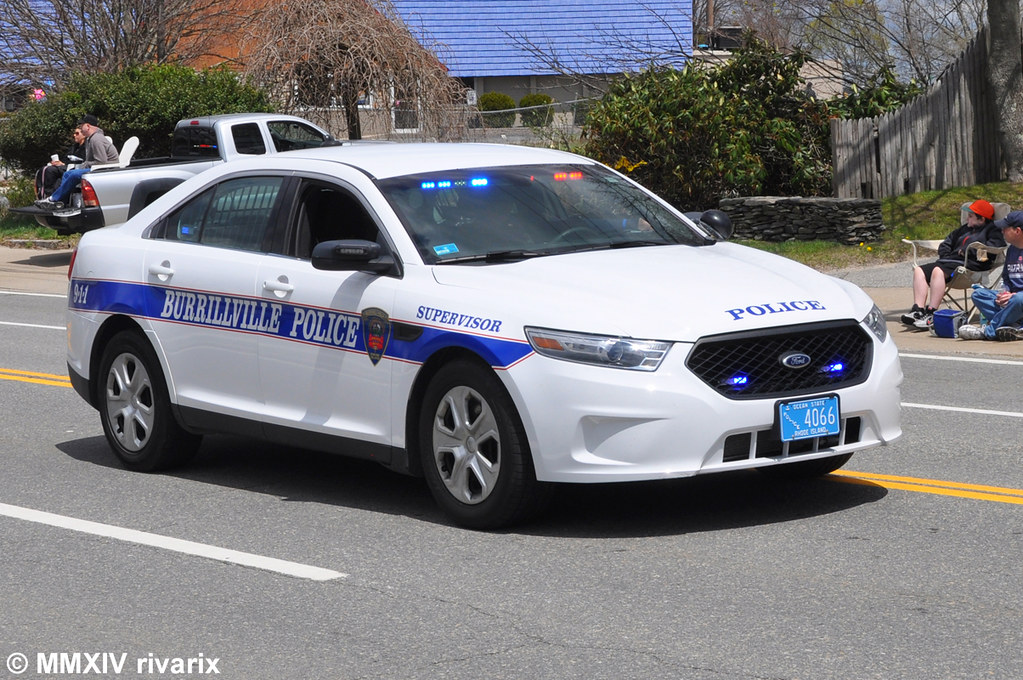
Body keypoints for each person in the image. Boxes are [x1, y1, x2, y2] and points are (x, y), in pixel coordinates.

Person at [900, 199, 1005, 329]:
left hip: (970, 266)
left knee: (938, 271)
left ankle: (932, 313)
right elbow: (946, 243)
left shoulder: (992, 230)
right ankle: (918, 310)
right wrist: (946, 255)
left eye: (971, 216)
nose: (967, 218)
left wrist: (968, 251)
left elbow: (995, 246)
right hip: (949, 262)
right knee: (919, 271)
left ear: (981, 219)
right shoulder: (962, 229)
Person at [957, 210, 1023, 341]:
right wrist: (1004, 293)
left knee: (1019, 299)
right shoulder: (1012, 250)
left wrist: (1014, 296)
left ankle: (989, 331)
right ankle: (1014, 326)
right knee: (979, 294)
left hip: (1019, 300)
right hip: (1013, 302)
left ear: (1017, 231)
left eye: (1005, 228)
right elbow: (1006, 278)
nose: (1002, 231)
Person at [34, 114, 118, 211]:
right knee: (67, 174)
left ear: (88, 126)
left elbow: (101, 161)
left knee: (73, 175)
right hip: (98, 167)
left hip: (105, 169)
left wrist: (83, 165)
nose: (80, 128)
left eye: (81, 125)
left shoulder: (96, 139)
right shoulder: (92, 139)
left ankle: (53, 198)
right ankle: (60, 202)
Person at [35, 126, 86, 199]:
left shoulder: (86, 147)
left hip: (75, 167)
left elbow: (83, 160)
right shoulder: (74, 147)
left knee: (48, 170)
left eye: (77, 133)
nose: (74, 135)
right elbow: (66, 158)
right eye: (74, 133)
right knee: (48, 171)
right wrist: (58, 162)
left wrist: (63, 164)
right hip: (66, 167)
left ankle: (48, 195)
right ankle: (48, 195)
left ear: (83, 135)